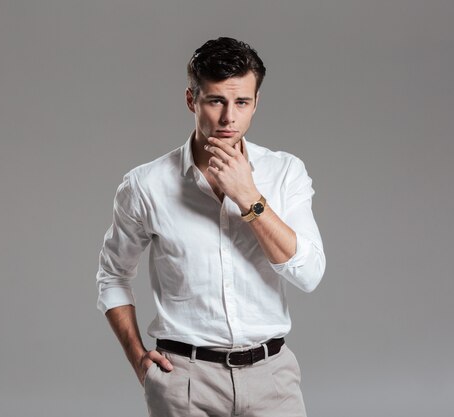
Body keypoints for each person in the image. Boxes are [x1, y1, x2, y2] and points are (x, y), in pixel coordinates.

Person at [95, 37, 326, 417]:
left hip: (273, 379)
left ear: (255, 104)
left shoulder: (285, 173)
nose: (228, 118)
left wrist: (249, 197)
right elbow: (112, 275)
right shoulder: (146, 185)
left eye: (242, 103)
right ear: (192, 100)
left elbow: (309, 275)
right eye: (215, 101)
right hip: (185, 382)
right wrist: (138, 359)